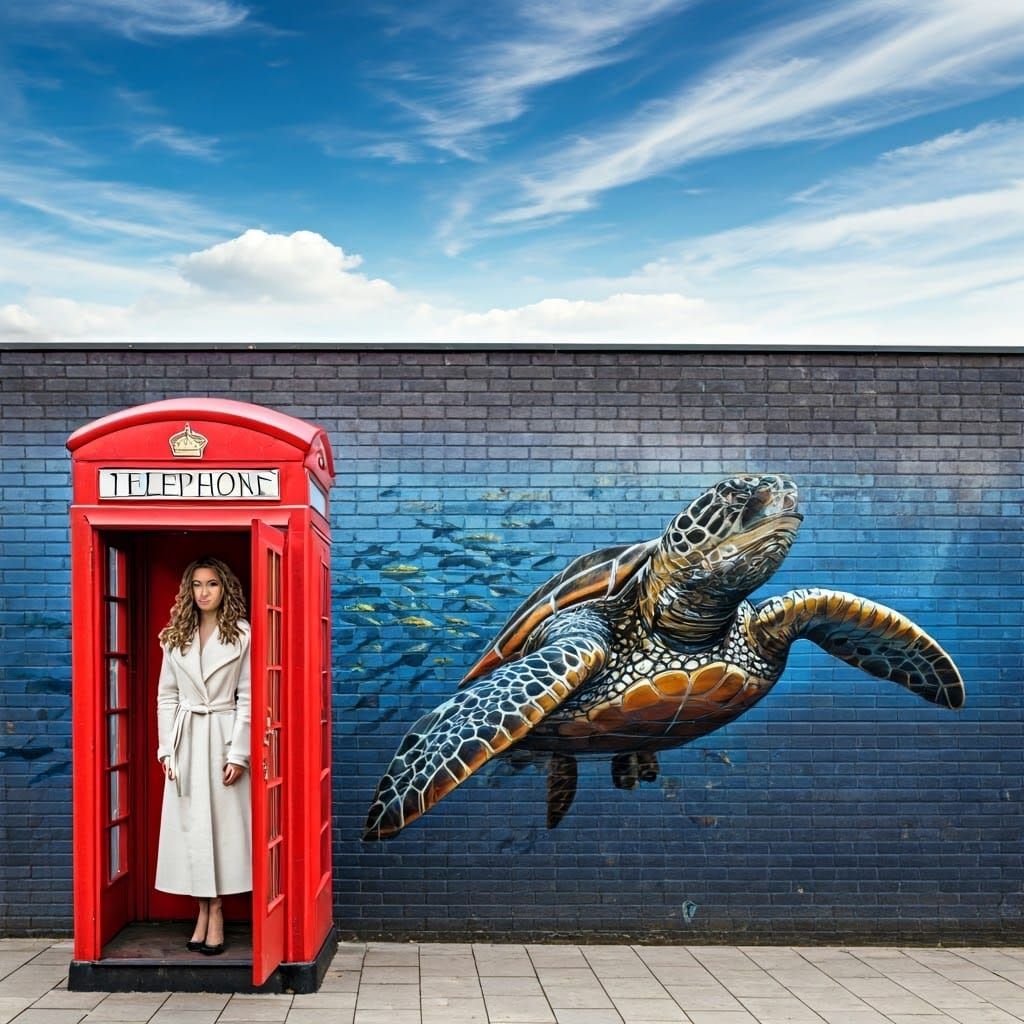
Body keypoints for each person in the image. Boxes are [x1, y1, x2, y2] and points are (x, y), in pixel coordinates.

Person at [155, 556, 252, 956]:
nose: (204, 592)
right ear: (188, 591)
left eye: (211, 584)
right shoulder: (174, 636)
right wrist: (166, 749)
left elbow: (247, 697)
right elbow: (167, 695)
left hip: (222, 737)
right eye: (196, 585)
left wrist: (239, 753)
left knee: (221, 832)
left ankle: (217, 913)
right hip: (187, 740)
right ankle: (203, 911)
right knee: (191, 832)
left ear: (224, 588)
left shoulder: (242, 635)